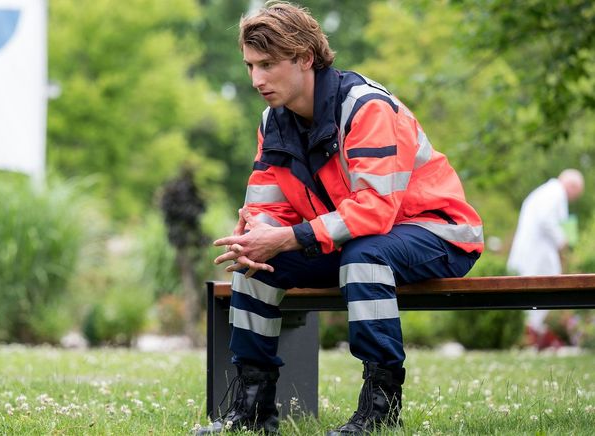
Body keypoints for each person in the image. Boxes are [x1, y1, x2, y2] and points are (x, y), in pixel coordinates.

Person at [195, 2, 484, 435]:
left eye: (268, 65)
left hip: (437, 230)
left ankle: (380, 410)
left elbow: (375, 209)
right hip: (350, 238)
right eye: (250, 66)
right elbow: (267, 203)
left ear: (305, 58)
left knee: (365, 257)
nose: (256, 80)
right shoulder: (272, 121)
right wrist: (257, 230)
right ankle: (253, 412)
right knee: (255, 266)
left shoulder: (366, 108)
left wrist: (287, 237)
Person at [507, 169, 585, 346]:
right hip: (537, 253)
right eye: (576, 194)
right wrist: (562, 240)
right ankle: (531, 333)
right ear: (572, 186)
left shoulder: (548, 192)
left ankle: (533, 331)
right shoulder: (555, 193)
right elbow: (546, 220)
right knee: (543, 288)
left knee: (536, 291)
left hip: (536, 251)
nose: (573, 199)